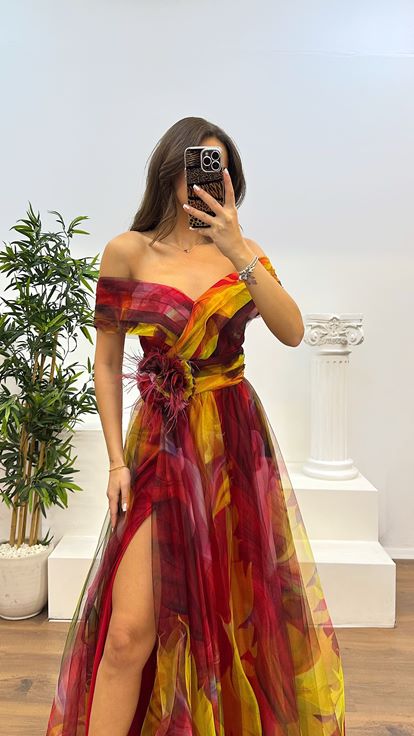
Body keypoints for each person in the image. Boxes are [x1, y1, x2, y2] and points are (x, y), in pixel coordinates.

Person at [45, 116, 346, 735]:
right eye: (196, 166)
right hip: (159, 446)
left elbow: (292, 331)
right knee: (128, 634)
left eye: (220, 169)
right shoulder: (128, 251)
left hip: (231, 447)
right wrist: (116, 462)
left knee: (230, 621)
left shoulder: (244, 252)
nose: (207, 180)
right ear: (170, 172)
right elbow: (106, 362)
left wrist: (237, 250)